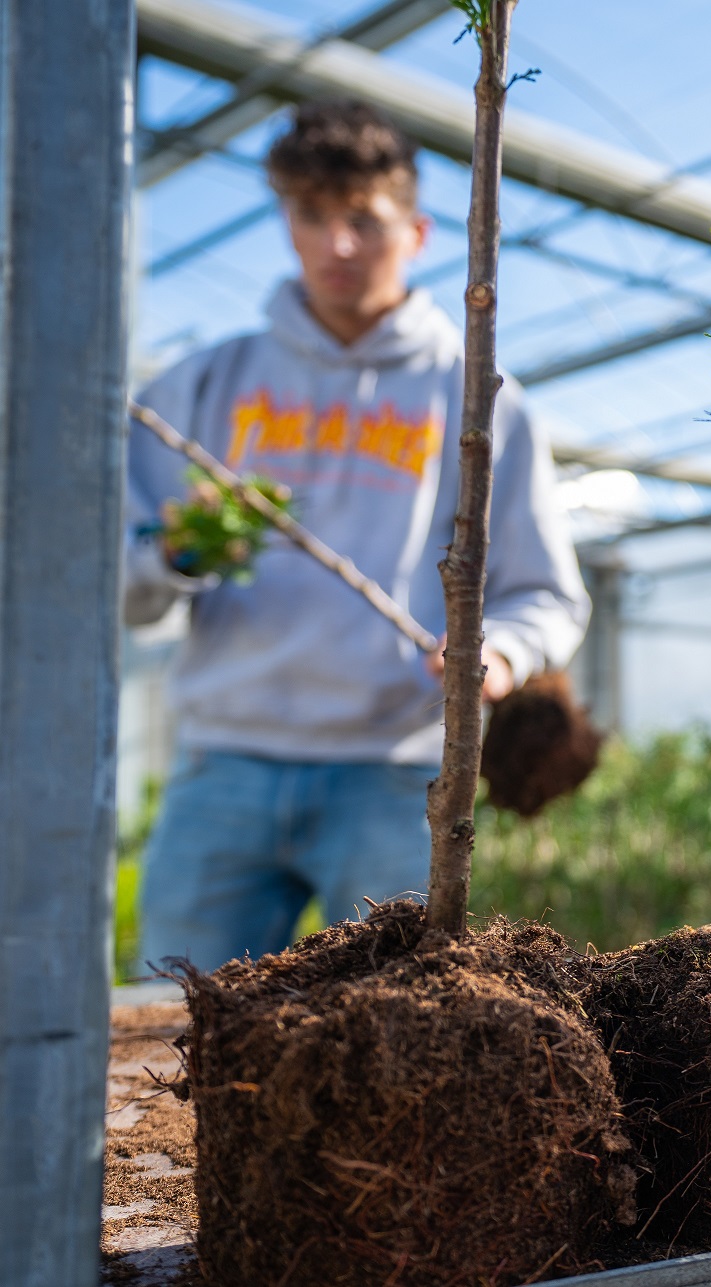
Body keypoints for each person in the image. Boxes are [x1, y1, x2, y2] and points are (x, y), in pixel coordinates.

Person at [125, 100, 588, 970]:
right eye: (312, 217)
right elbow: (116, 585)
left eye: (363, 221)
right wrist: (173, 553)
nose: (337, 245)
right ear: (287, 223)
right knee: (175, 1025)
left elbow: (549, 593)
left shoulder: (481, 399)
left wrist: (500, 653)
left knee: (395, 1033)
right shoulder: (203, 387)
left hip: (398, 774)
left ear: (415, 231)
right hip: (223, 761)